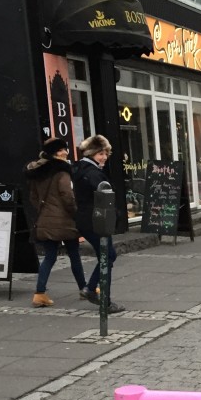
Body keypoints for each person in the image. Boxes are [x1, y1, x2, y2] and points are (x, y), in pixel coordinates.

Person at [24, 138, 90, 308]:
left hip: (45, 219)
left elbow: (33, 198)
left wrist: (45, 211)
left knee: (50, 256)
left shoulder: (37, 172)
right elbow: (68, 197)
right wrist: (76, 213)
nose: (65, 153)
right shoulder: (62, 171)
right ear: (54, 153)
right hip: (65, 220)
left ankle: (39, 294)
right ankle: (85, 289)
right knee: (74, 255)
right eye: (61, 150)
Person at [73, 134, 124, 313]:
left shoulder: (82, 169)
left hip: (88, 221)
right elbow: (104, 197)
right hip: (97, 221)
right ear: (92, 153)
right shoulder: (92, 173)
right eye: (100, 153)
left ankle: (92, 290)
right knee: (107, 256)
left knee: (107, 256)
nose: (104, 157)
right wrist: (114, 215)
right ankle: (104, 301)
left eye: (106, 153)